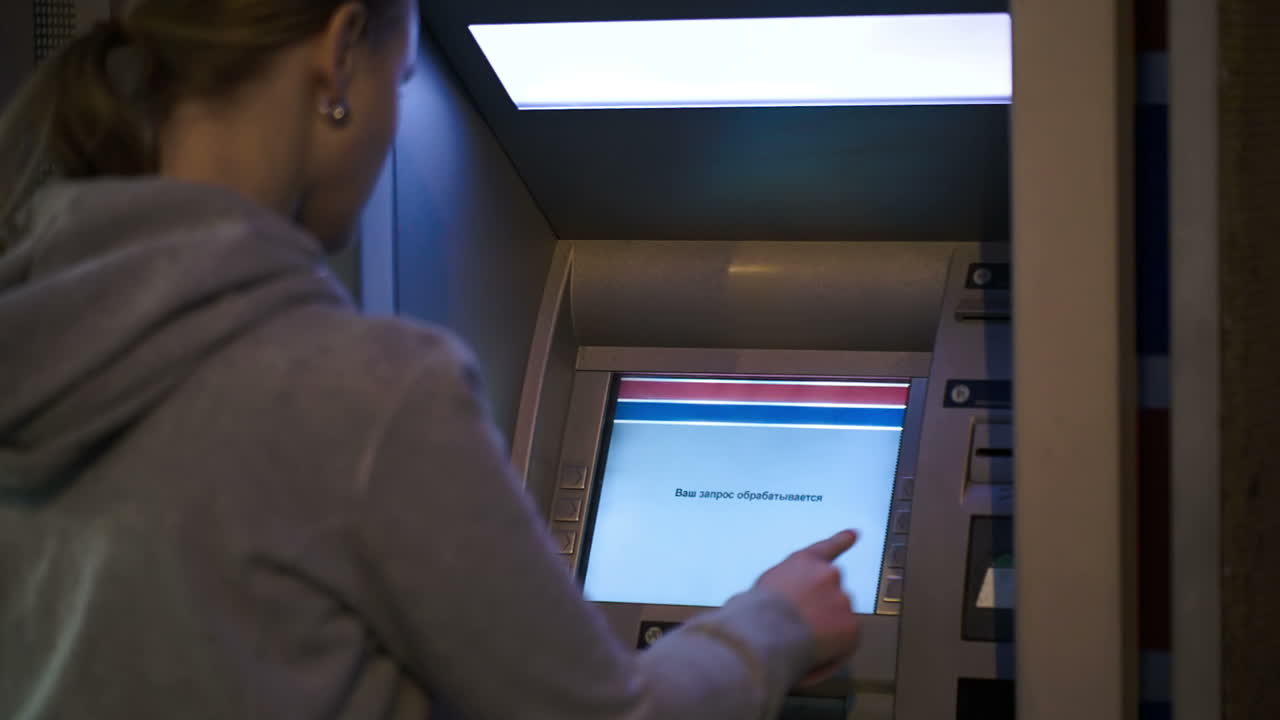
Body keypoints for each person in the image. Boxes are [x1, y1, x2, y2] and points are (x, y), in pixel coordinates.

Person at [0, 1, 861, 718]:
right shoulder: (363, 388)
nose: (387, 123)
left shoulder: (39, 348)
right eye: (399, 80)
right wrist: (776, 620)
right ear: (340, 56)